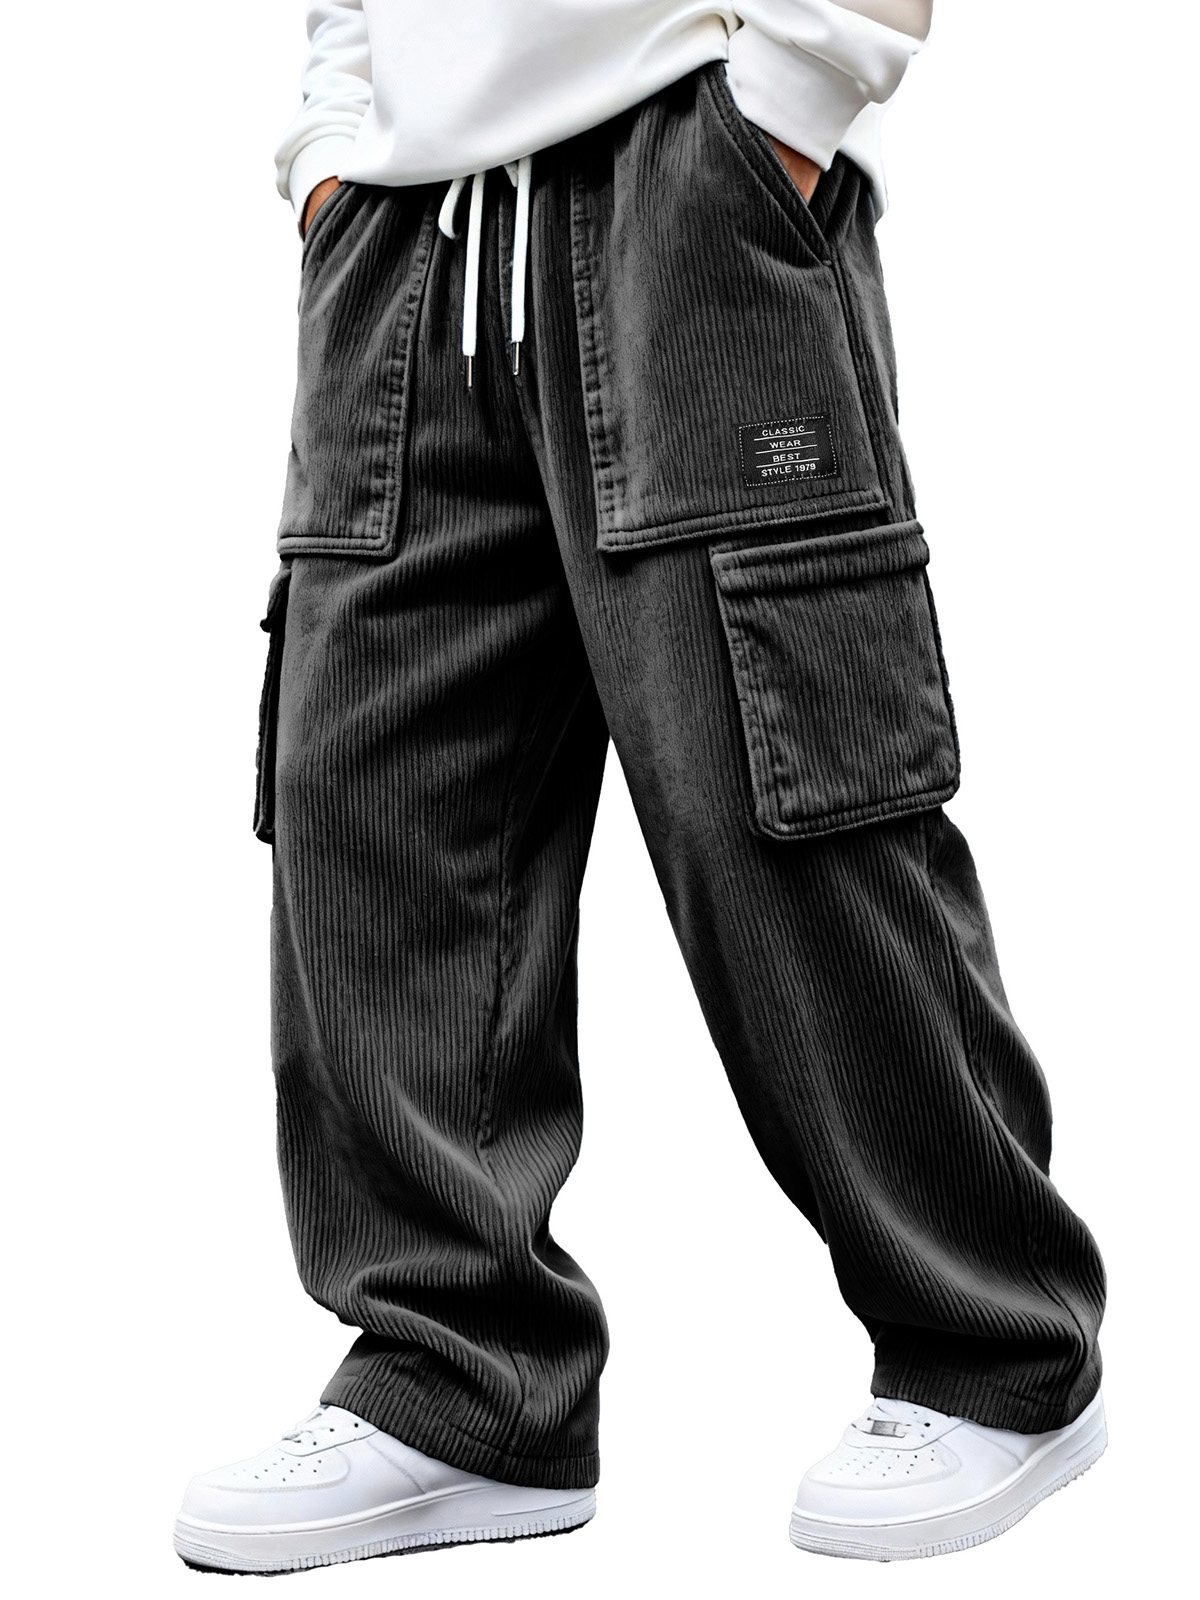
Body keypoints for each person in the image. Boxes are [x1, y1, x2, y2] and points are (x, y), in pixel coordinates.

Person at [174, 0, 1107, 1572]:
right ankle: (461, 1386)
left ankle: (995, 1350)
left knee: (785, 789)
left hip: (689, 173)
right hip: (405, 228)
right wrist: (335, 138)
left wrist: (795, 92)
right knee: (373, 806)